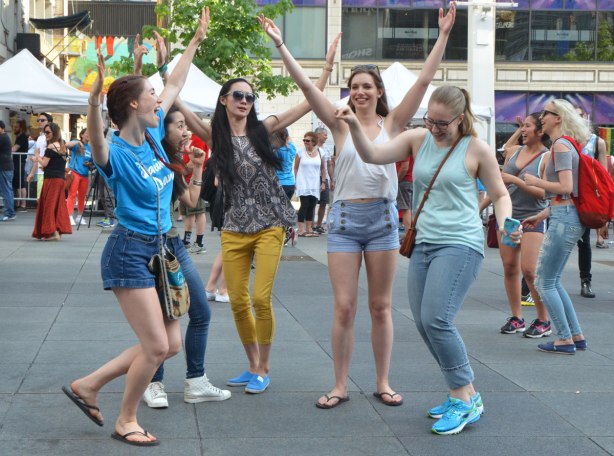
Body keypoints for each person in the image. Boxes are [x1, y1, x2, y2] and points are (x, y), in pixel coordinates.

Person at [261, 4, 455, 409]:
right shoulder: (339, 123)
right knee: (345, 307)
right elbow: (309, 89)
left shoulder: (393, 125)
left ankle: (383, 382)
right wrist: (282, 46)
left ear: (380, 91)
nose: (361, 91)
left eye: (368, 85)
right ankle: (340, 384)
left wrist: (442, 37)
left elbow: (423, 81)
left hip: (383, 221)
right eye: (355, 86)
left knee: (381, 307)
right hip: (347, 220)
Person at [61, 9, 208, 447]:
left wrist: (195, 41)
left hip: (165, 250)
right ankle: (126, 419)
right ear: (132, 104)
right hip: (130, 250)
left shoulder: (155, 133)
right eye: (152, 96)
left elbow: (176, 81)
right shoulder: (116, 153)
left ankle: (88, 385)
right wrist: (92, 100)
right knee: (157, 347)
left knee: (170, 345)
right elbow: (97, 138)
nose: (160, 102)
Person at [336, 85, 518, 434]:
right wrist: (356, 128)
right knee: (422, 322)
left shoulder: (476, 148)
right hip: (423, 243)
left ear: (460, 119)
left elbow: (499, 193)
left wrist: (507, 220)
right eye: (429, 121)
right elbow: (373, 155)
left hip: (460, 242)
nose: (434, 128)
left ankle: (463, 397)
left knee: (437, 319)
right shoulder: (418, 139)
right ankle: (467, 394)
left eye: (441, 123)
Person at [176, 31, 341, 395]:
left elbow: (307, 103)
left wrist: (327, 66)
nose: (246, 101)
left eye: (250, 97)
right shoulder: (215, 134)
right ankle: (252, 365)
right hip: (234, 226)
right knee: (236, 300)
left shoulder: (264, 129)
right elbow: (178, 100)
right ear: (224, 100)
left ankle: (264, 367)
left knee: (260, 298)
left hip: (270, 224)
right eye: (239, 95)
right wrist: (176, 55)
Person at [142, 106, 230, 408]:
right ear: (161, 130)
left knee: (201, 311)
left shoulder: (174, 162)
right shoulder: (149, 157)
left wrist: (197, 167)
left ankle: (195, 381)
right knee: (163, 317)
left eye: (185, 125)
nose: (187, 131)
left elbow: (193, 200)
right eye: (179, 126)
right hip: (147, 246)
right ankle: (153, 383)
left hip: (173, 245)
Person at [523, 99, 590, 355]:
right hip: (566, 216)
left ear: (558, 118)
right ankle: (575, 335)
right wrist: (541, 216)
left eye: (546, 113)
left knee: (544, 282)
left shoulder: (561, 146)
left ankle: (564, 338)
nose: (542, 116)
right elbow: (567, 197)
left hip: (564, 220)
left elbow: (565, 188)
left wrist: (536, 181)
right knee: (553, 280)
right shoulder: (566, 144)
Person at [479, 113, 551, 337]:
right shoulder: (514, 152)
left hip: (533, 218)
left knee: (530, 271)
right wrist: (479, 207)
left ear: (540, 131)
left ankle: (543, 320)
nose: (523, 130)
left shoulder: (547, 157)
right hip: (509, 218)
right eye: (522, 127)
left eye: (527, 127)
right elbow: (499, 187)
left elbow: (546, 193)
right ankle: (517, 317)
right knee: (510, 267)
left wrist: (517, 180)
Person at [573, 106, 608, 298]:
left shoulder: (597, 143)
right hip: (565, 197)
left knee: (584, 242)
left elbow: (603, 177)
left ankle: (585, 281)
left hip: (586, 199)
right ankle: (540, 284)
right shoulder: (563, 141)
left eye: (579, 116)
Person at [31, 122, 72, 239]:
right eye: (45, 132)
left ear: (54, 132)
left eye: (48, 132)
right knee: (57, 206)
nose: (46, 134)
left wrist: (37, 155)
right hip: (59, 180)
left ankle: (52, 232)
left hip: (52, 180)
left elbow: (44, 163)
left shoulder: (51, 146)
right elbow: (50, 165)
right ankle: (56, 231)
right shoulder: (62, 145)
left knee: (49, 206)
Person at [294, 131, 326, 237]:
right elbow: (296, 167)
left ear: (314, 142)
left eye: (307, 140)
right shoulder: (300, 152)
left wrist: (323, 182)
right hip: (303, 183)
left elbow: (323, 168)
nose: (305, 142)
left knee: (312, 206)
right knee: (304, 205)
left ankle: (309, 228)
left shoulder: (321, 152)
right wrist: (296, 180)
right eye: (304, 140)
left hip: (314, 183)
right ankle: (301, 229)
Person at [271, 128, 298, 246]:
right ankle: (287, 231)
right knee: (284, 208)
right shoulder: (292, 148)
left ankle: (286, 232)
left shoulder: (276, 150)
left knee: (276, 210)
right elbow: (289, 140)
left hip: (279, 182)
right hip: (290, 183)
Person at [66, 128, 93, 226]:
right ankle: (69, 216)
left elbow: (93, 162)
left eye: (90, 133)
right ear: (81, 135)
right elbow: (67, 145)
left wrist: (89, 163)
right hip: (75, 172)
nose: (88, 135)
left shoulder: (91, 147)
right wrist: (78, 142)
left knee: (82, 196)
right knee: (72, 195)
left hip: (85, 174)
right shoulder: (76, 143)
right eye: (86, 133)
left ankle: (79, 216)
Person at [27, 112, 52, 199]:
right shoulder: (40, 137)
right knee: (40, 200)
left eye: (42, 120)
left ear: (49, 122)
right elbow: (37, 156)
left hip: (50, 173)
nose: (40, 122)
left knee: (46, 201)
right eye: (38, 120)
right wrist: (32, 173)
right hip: (41, 172)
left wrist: (37, 158)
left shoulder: (51, 137)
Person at [314, 126, 332, 233]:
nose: (326, 137)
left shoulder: (327, 149)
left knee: (324, 202)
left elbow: (329, 165)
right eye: (325, 134)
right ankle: (310, 225)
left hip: (325, 178)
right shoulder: (312, 147)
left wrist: (332, 179)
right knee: (312, 202)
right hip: (314, 178)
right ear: (318, 135)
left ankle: (319, 225)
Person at [12, 119, 29, 212]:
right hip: (17, 162)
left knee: (21, 183)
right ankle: (18, 203)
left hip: (20, 162)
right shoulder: (20, 137)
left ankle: (23, 205)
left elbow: (14, 149)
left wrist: (6, 150)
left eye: (16, 127)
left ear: (21, 128)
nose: (14, 128)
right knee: (17, 183)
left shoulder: (22, 137)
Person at [0, 120, 15, 222]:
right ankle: (10, 212)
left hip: (4, 168)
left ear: (1, 128)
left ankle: (9, 213)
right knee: (6, 190)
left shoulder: (3, 138)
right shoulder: (4, 137)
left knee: (6, 191)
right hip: (6, 167)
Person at [396, 154, 414, 233]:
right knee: (408, 208)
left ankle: (408, 236)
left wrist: (395, 182)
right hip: (408, 180)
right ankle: (409, 235)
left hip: (404, 180)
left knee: (405, 209)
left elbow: (404, 167)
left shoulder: (405, 150)